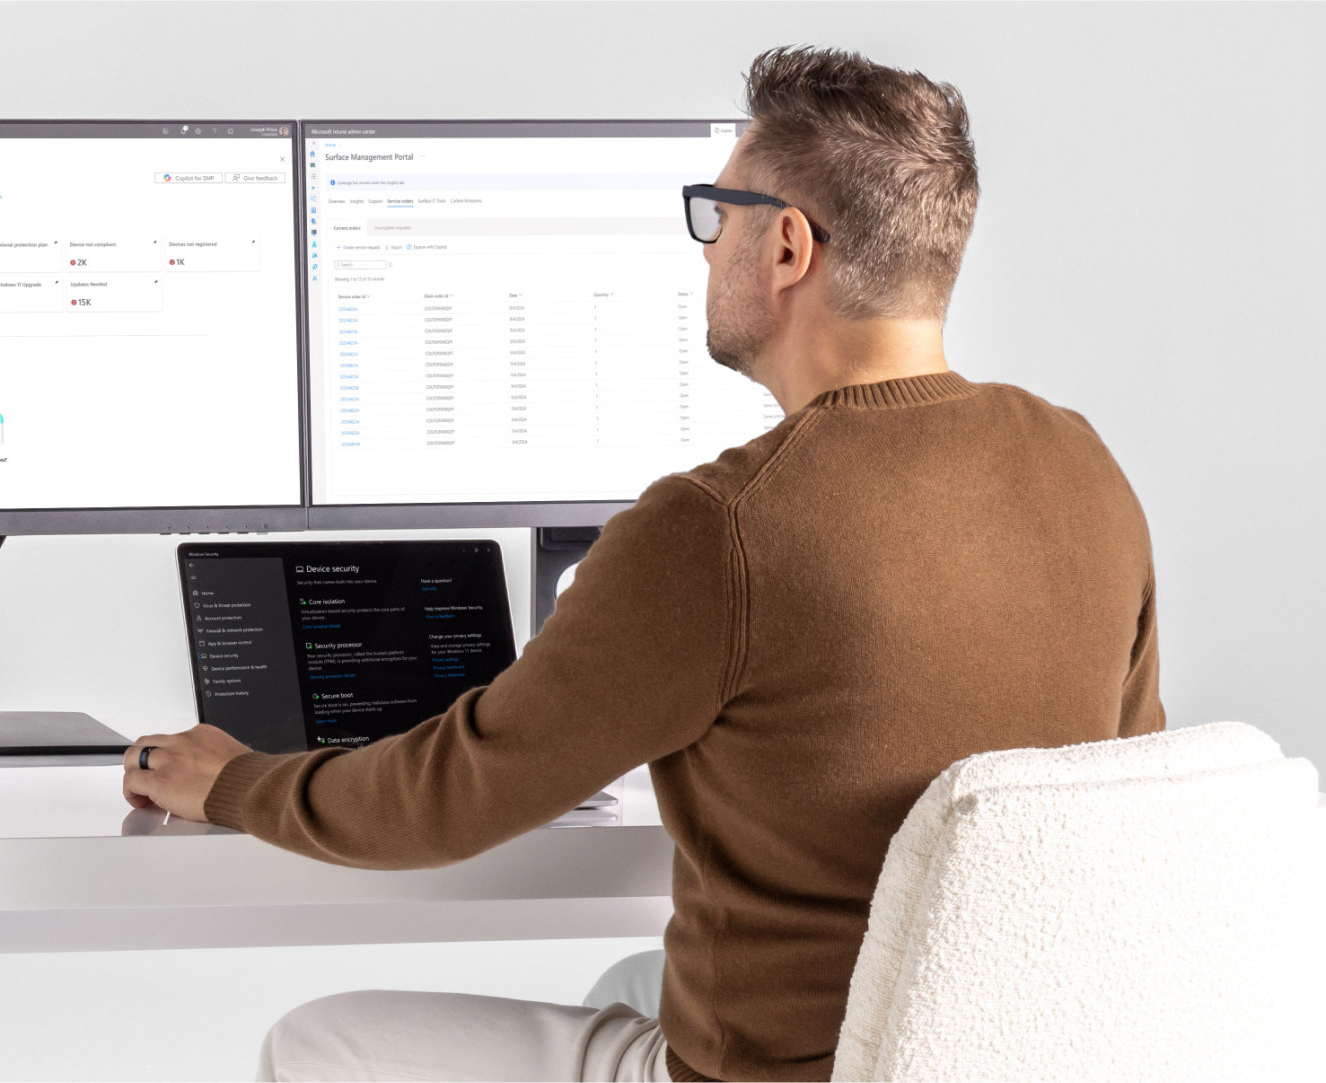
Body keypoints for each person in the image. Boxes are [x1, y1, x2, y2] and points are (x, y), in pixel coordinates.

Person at [122, 44, 1162, 1083]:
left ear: (788, 246)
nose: (706, 252)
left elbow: (449, 799)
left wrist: (237, 784)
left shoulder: (719, 527)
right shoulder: (1083, 464)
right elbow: (1120, 790)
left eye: (717, 217)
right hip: (1012, 1055)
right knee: (629, 980)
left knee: (318, 1039)